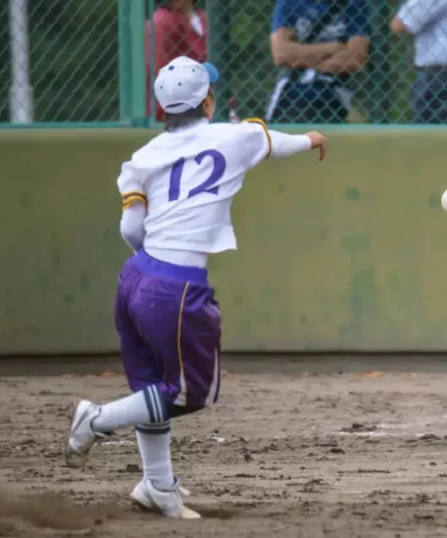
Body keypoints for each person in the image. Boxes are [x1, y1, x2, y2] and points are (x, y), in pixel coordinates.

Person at [63, 56, 327, 519]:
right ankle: (97, 421)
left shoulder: (142, 157)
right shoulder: (236, 135)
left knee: (150, 384)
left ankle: (158, 487)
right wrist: (311, 140)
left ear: (162, 108)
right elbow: (276, 143)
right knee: (189, 392)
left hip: (136, 278)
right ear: (208, 100)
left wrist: (151, 267)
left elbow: (130, 229)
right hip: (176, 289)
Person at [267, 0, 371, 124]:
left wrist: (300, 58)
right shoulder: (289, 2)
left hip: (333, 94)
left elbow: (354, 59)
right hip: (291, 90)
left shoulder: (354, 4)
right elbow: (281, 54)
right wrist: (333, 48)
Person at [145, 0, 208, 122]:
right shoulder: (161, 21)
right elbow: (160, 68)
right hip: (176, 109)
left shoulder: (204, 17)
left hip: (207, 99)